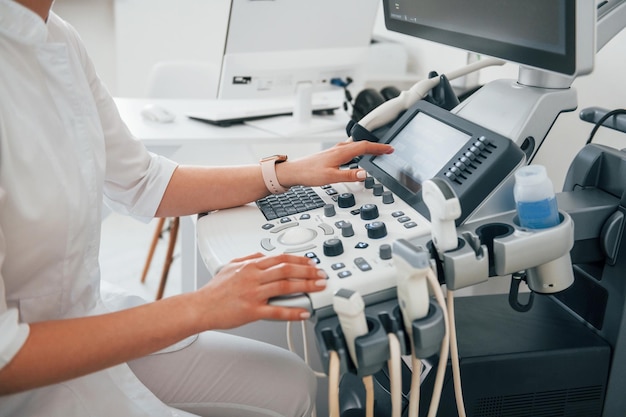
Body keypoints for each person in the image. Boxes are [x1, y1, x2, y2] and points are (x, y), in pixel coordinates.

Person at [0, 1, 394, 416]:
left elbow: (142, 181)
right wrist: (199, 307)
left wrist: (287, 172)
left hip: (84, 315)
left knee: (292, 384)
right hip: (26, 381)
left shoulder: (58, 38)